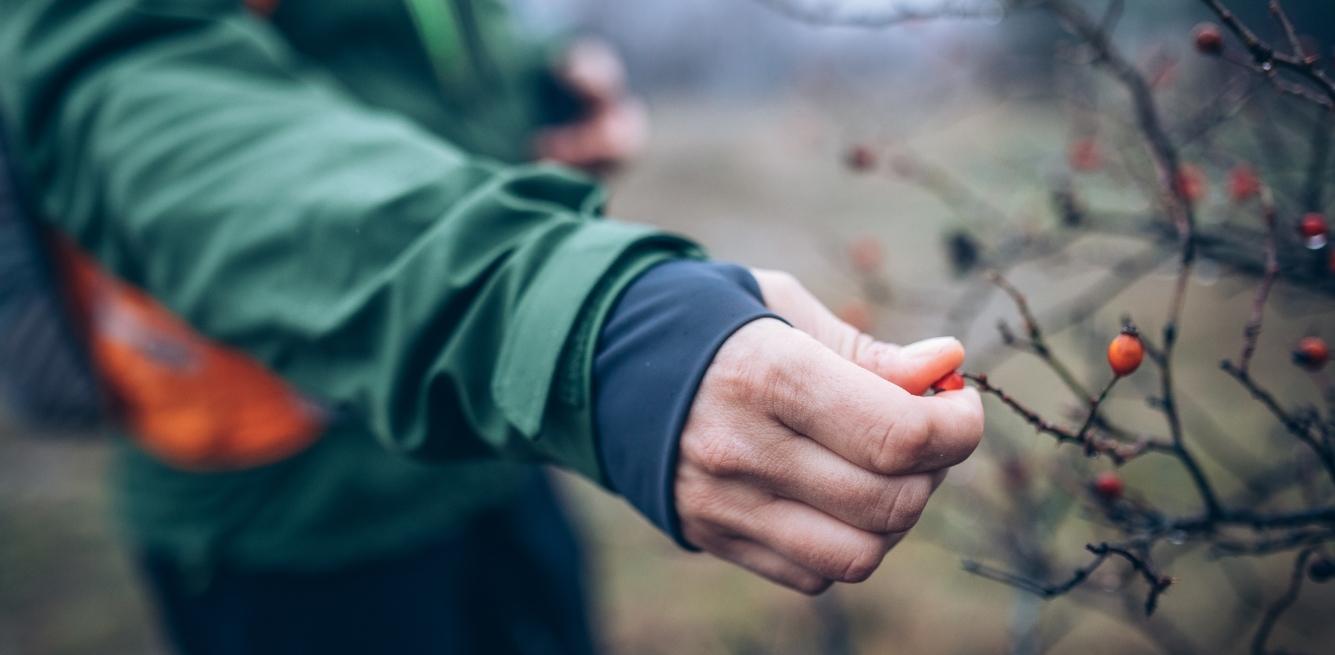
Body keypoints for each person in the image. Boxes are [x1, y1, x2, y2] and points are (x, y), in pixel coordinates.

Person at [0, 1, 984, 654]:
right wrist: (583, 327)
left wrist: (536, 83)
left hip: (488, 443)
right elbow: (141, 100)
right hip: (292, 505)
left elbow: (375, 38)